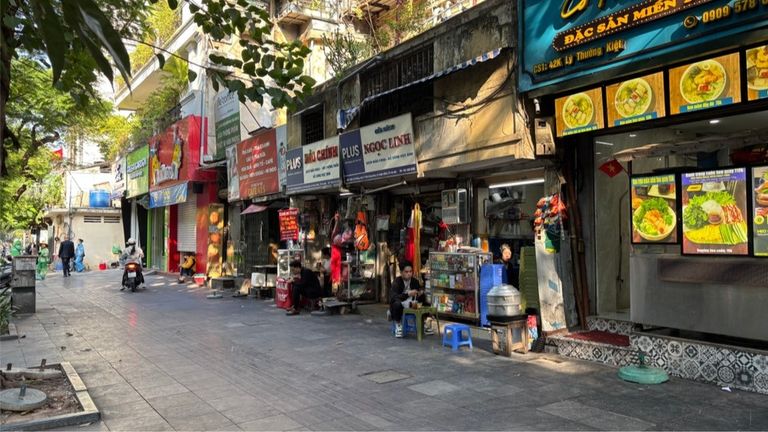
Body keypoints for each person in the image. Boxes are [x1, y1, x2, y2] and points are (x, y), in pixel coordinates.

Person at [389, 262, 429, 338]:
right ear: (401, 272)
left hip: (411, 303)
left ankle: (424, 322)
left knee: (424, 298)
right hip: (401, 303)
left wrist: (419, 293)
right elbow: (394, 297)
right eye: (406, 272)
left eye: (410, 271)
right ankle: (398, 324)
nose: (409, 274)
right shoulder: (397, 282)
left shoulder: (415, 281)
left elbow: (418, 293)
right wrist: (407, 294)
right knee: (397, 304)